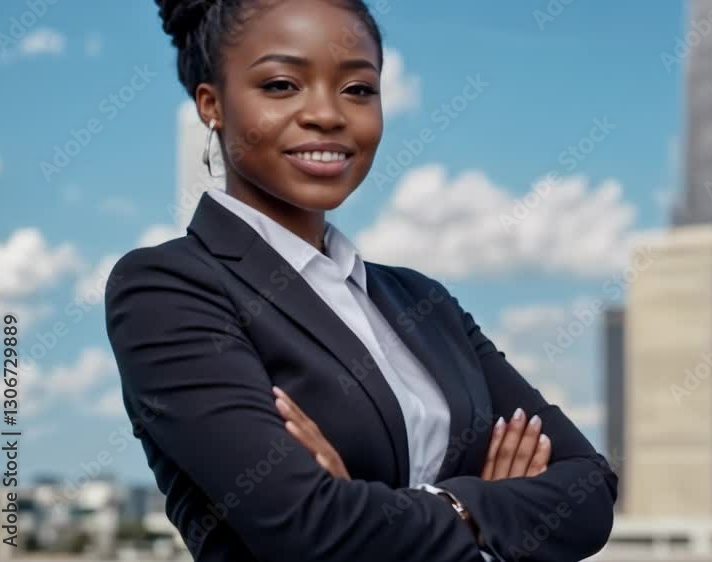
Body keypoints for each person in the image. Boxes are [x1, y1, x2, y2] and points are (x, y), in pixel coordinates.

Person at [104, 1, 617, 560]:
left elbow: (589, 490)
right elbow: (306, 529)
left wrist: (406, 507)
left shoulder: (423, 300)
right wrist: (488, 511)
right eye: (281, 85)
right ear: (213, 105)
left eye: (357, 89)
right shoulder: (167, 289)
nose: (327, 113)